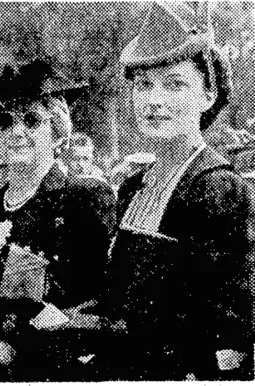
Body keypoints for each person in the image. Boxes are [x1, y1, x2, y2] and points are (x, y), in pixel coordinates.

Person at [90, 2, 255, 381]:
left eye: (174, 84)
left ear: (207, 97)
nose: (154, 100)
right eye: (143, 85)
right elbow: (120, 294)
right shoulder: (133, 185)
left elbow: (229, 327)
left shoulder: (217, 186)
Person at [0, 60, 116, 382]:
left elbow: (102, 298)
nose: (17, 132)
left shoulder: (85, 197)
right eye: (6, 122)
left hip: (59, 366)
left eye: (32, 120)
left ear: (57, 134)